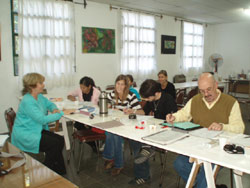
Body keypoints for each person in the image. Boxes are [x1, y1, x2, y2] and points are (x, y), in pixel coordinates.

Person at [166, 73, 245, 188]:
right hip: (198, 144)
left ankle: (204, 185)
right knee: (179, 164)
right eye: (202, 91)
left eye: (209, 89)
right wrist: (174, 117)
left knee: (206, 172)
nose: (206, 94)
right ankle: (208, 185)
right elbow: (183, 114)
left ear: (216, 85)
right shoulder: (195, 100)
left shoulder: (231, 102)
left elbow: (240, 128)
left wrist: (223, 127)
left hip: (220, 148)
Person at [11, 73, 75, 175]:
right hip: (26, 134)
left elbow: (49, 103)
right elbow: (42, 119)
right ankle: (47, 169)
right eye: (40, 83)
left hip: (34, 129)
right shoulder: (28, 101)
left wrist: (54, 109)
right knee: (54, 144)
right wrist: (62, 113)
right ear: (32, 86)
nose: (43, 85)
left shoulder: (39, 96)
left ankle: (58, 170)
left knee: (60, 140)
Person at [128, 79, 177, 185]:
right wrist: (133, 111)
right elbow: (144, 112)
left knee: (140, 143)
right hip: (154, 129)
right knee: (134, 140)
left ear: (156, 93)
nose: (146, 99)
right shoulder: (152, 100)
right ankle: (147, 149)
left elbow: (174, 120)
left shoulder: (168, 99)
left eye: (147, 97)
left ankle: (143, 174)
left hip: (166, 131)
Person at [103, 74, 141, 176]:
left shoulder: (130, 96)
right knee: (109, 132)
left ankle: (117, 163)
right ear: (115, 84)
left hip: (127, 124)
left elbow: (141, 111)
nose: (119, 87)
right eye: (118, 84)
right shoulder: (112, 94)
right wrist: (109, 106)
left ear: (126, 86)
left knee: (115, 135)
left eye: (122, 84)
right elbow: (102, 102)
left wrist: (131, 110)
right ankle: (111, 159)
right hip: (115, 122)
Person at [68, 76, 102, 152]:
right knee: (77, 125)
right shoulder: (79, 90)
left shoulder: (97, 92)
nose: (82, 89)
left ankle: (94, 143)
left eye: (83, 88)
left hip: (93, 116)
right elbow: (69, 94)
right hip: (82, 114)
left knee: (89, 127)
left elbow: (99, 106)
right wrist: (72, 98)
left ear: (89, 86)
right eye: (81, 87)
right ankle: (92, 144)